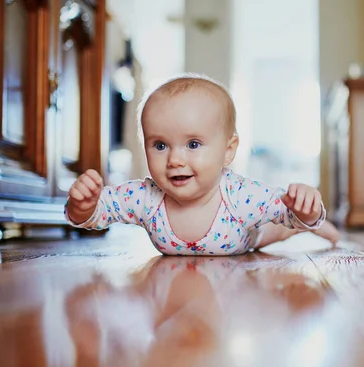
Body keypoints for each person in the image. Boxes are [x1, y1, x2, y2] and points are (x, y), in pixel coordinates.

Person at [64, 73, 340, 255]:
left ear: (227, 151)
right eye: (160, 145)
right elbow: (101, 212)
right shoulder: (145, 198)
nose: (174, 160)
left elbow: (284, 210)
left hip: (248, 234)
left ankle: (316, 227)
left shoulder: (241, 197)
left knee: (278, 229)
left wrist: (306, 213)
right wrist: (83, 207)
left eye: (193, 145)